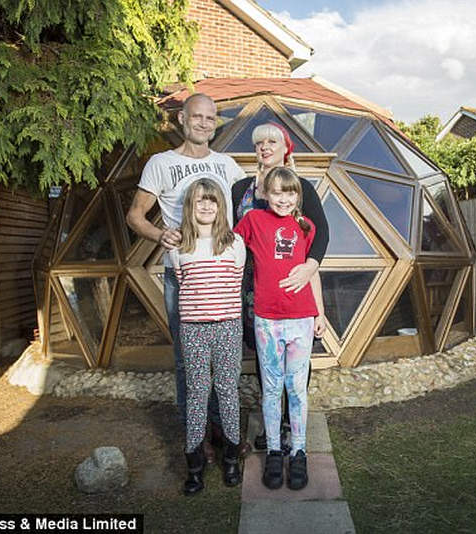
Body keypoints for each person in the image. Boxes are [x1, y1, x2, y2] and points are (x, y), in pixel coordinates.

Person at [126, 93, 246, 459]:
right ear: (182, 119)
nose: (204, 124)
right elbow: (135, 216)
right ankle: (198, 439)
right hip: (184, 275)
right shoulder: (160, 163)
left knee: (225, 364)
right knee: (186, 360)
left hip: (222, 275)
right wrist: (159, 234)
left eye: (211, 119)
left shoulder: (227, 165)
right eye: (198, 117)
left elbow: (251, 206)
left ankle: (225, 433)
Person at [231, 122, 329, 452]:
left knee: (297, 361)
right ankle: (274, 424)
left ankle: (290, 424)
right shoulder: (241, 189)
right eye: (259, 142)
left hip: (292, 285)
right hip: (252, 287)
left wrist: (309, 267)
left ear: (286, 148)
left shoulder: (298, 187)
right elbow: (232, 237)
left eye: (272, 141)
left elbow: (319, 235)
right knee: (265, 360)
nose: (265, 147)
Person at [168, 179, 246, 496]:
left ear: (220, 206)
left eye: (212, 200)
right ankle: (195, 466)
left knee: (227, 391)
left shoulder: (234, 243)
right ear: (191, 205)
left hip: (227, 327)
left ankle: (230, 459)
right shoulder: (178, 247)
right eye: (200, 200)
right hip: (194, 329)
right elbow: (183, 282)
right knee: (197, 393)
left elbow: (237, 282)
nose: (206, 206)